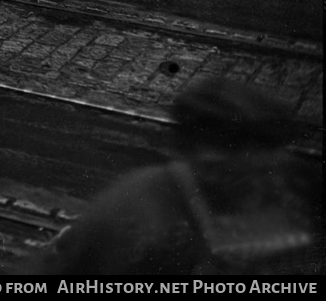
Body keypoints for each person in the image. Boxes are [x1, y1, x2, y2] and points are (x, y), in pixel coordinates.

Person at [28, 78, 320, 275]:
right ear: (189, 154)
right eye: (229, 158)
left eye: (260, 152)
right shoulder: (137, 209)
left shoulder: (294, 185)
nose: (249, 169)